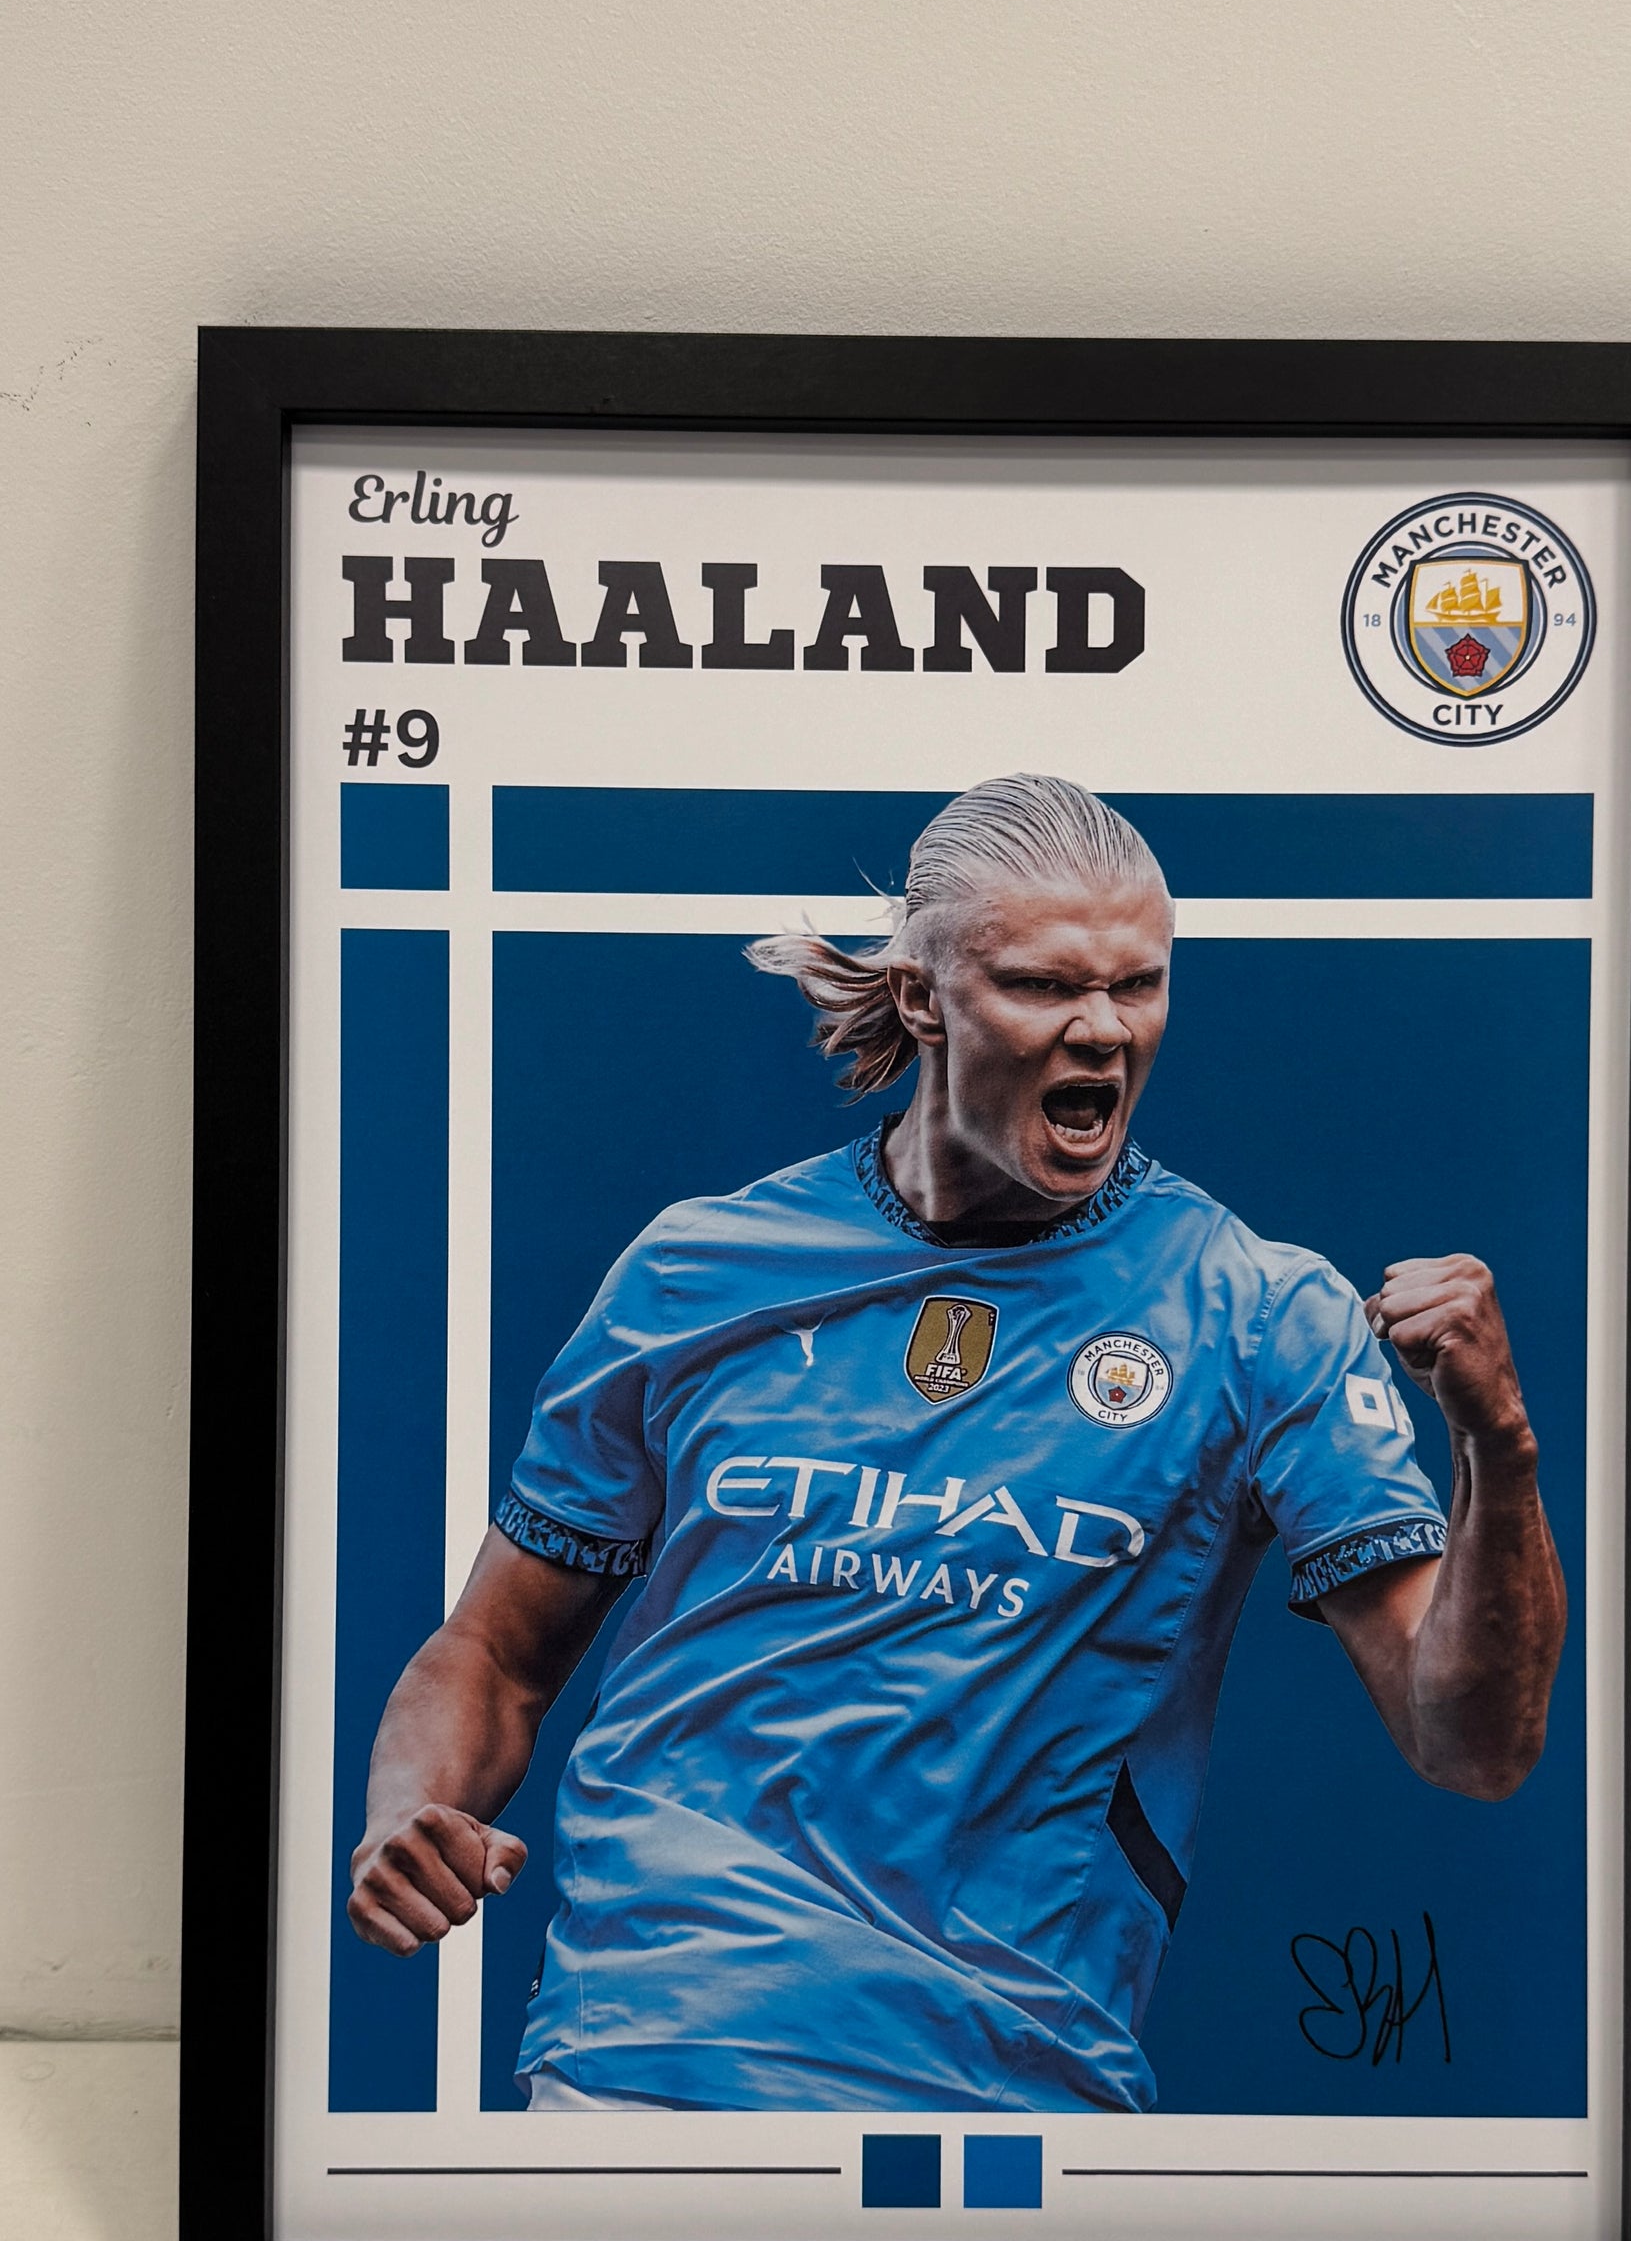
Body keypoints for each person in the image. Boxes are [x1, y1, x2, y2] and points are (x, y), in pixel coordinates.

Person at [349, 775, 1566, 2112]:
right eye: (1044, 986)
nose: (1103, 1030)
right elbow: (493, 1655)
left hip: (1005, 2096)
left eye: (1139, 985)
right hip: (647, 2055)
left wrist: (1497, 1449)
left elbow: (1473, 1744)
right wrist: (410, 1810)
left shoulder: (1260, 1315)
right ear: (922, 998)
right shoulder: (694, 1270)